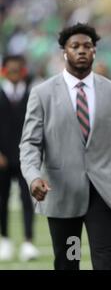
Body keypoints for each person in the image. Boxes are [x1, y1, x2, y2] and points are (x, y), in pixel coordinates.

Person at [19, 23, 111, 270]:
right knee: (67, 264)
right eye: (74, 46)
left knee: (107, 263)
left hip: (105, 194)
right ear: (64, 52)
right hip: (62, 192)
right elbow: (30, 143)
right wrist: (33, 177)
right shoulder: (42, 93)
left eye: (87, 46)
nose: (81, 51)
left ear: (95, 51)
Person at [0, 55, 39, 261]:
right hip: (3, 159)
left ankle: (28, 241)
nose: (15, 74)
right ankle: (4, 239)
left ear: (23, 71)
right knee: (2, 200)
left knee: (27, 199)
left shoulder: (33, 95)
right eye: (11, 70)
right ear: (4, 71)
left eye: (18, 70)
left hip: (27, 158)